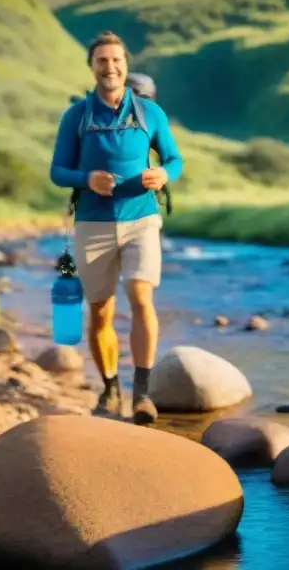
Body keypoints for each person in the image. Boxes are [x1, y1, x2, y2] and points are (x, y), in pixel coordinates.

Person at [49, 31, 183, 425]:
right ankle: (110, 390)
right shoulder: (76, 116)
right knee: (101, 310)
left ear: (126, 65)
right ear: (92, 67)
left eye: (116, 60)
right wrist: (87, 179)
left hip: (141, 220)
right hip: (93, 224)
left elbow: (175, 159)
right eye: (102, 61)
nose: (110, 67)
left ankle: (142, 395)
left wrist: (163, 173)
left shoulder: (149, 113)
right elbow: (58, 171)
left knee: (142, 299)